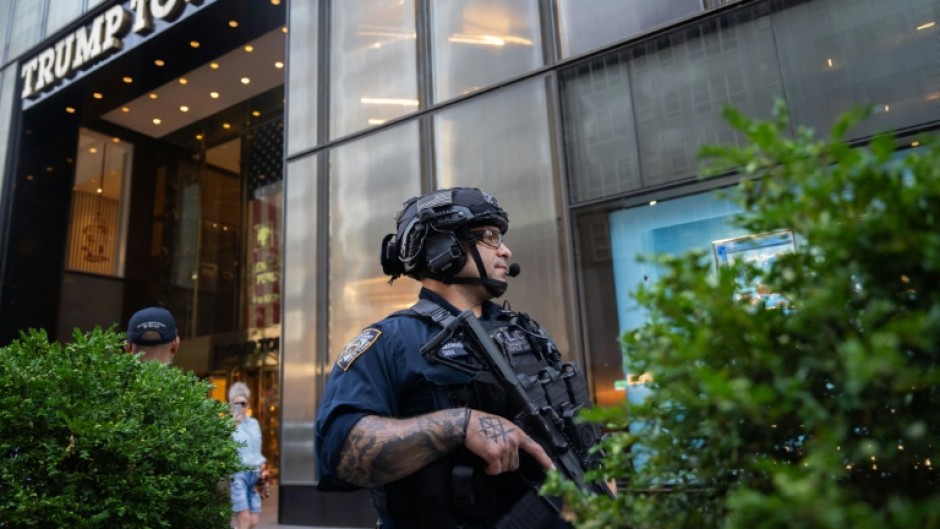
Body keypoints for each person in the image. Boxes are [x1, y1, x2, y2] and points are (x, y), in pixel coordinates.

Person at [315, 187, 600, 529]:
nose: (506, 251)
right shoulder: (391, 342)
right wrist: (460, 425)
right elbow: (340, 454)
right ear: (442, 249)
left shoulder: (527, 333)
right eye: (490, 237)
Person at [229, 381, 269, 529]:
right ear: (231, 405)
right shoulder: (228, 426)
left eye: (243, 403)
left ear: (248, 405)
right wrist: (233, 424)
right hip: (238, 474)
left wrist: (262, 468)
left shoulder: (254, 424)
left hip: (255, 475)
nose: (240, 407)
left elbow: (257, 449)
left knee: (253, 521)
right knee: (244, 518)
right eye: (236, 404)